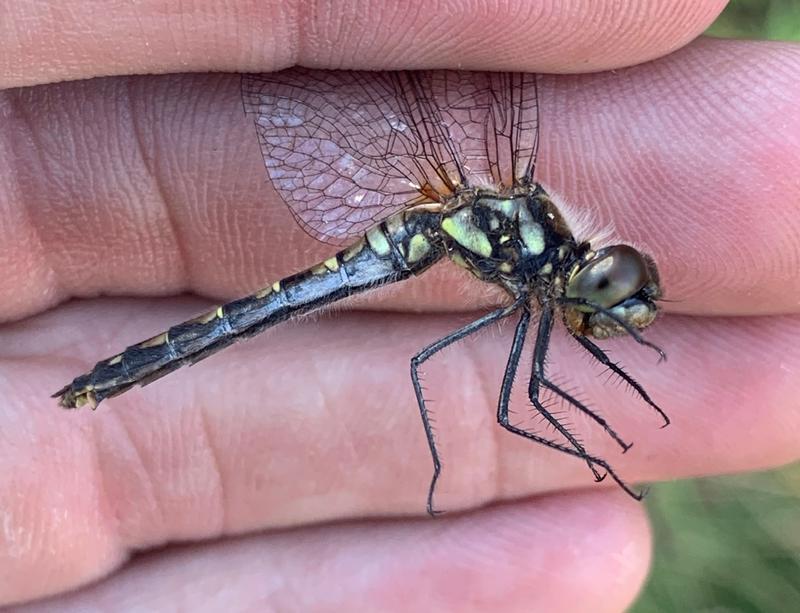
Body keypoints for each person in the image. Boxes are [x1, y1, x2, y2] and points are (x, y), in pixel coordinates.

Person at [1, 1, 798, 610]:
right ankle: (118, 372)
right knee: (488, 381)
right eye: (610, 297)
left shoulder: (543, 266)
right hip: (408, 234)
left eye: (615, 298)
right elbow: (528, 399)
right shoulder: (539, 265)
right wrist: (599, 447)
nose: (610, 312)